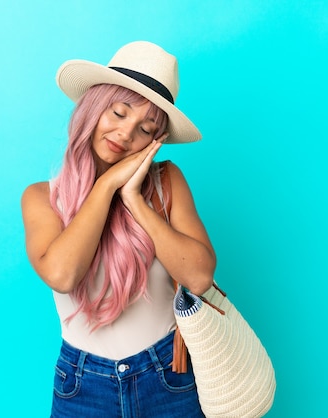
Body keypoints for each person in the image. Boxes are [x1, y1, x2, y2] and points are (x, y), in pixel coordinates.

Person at [21, 41, 216, 418]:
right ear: (94, 108)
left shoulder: (167, 181)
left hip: (167, 376)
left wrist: (135, 200)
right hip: (82, 383)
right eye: (119, 113)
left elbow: (199, 276)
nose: (126, 134)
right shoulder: (42, 198)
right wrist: (106, 186)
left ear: (154, 143)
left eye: (145, 129)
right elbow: (62, 275)